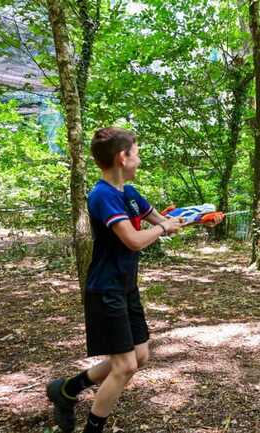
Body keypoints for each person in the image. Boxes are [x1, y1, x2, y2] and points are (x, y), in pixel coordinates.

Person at [45, 127, 222, 433]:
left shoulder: (130, 193)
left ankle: (67, 389)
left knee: (138, 357)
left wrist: (195, 218)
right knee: (124, 366)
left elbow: (162, 220)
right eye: (136, 154)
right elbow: (134, 240)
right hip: (105, 289)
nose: (139, 161)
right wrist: (165, 229)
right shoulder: (102, 196)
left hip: (126, 286)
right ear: (122, 157)